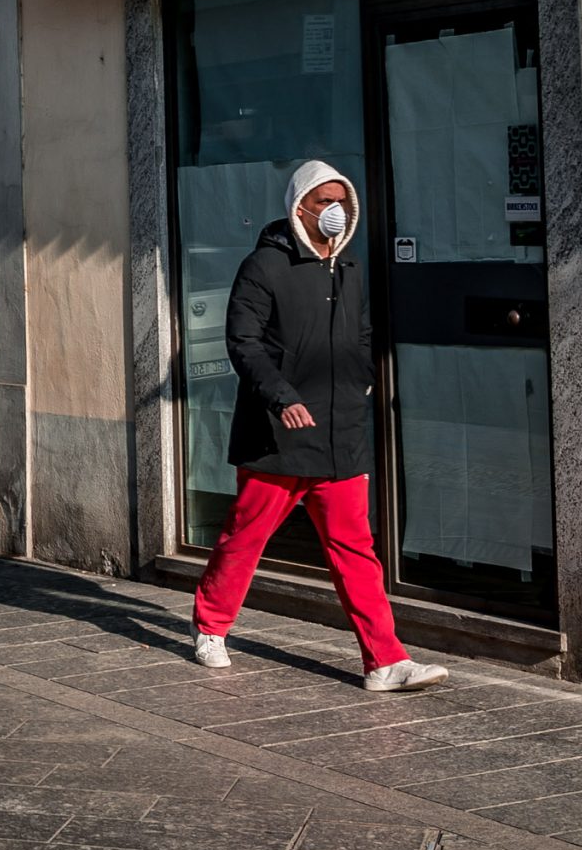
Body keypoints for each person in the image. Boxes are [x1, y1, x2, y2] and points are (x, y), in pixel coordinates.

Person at [189, 159, 449, 693]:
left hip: (340, 433)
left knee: (356, 549)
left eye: (343, 202)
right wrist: (280, 396)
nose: (336, 210)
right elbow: (243, 341)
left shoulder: (349, 267)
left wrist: (363, 384)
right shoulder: (263, 266)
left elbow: (361, 333)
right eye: (325, 201)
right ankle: (211, 626)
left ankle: (385, 662)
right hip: (278, 434)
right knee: (246, 536)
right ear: (300, 206)